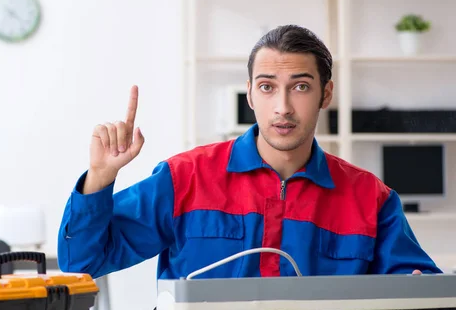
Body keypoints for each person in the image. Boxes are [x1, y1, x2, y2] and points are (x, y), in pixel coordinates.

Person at [57, 24, 441, 281]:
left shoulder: (370, 198)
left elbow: (420, 293)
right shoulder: (184, 178)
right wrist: (100, 178)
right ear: (251, 94)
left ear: (326, 94)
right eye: (268, 87)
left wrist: (419, 295)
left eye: (301, 87)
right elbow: (82, 264)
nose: (283, 107)